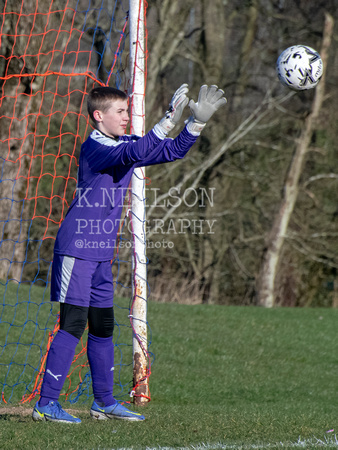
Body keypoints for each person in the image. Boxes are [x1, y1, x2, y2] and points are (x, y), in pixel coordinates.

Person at [32, 83, 227, 424]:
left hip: (100, 253)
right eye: (120, 112)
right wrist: (167, 120)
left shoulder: (123, 144)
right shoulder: (96, 146)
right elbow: (130, 155)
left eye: (126, 111)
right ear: (98, 116)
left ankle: (104, 402)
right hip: (77, 247)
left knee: (103, 325)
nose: (126, 117)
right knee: (73, 323)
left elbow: (171, 152)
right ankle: (45, 405)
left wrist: (196, 123)